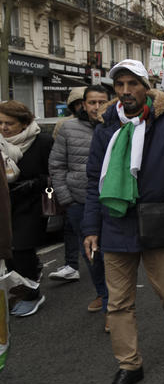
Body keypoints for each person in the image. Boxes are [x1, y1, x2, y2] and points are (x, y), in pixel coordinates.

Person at [82, 59, 164, 384]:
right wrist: (90, 226)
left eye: (132, 84)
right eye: (119, 85)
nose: (125, 91)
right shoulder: (106, 128)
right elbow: (95, 180)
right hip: (114, 222)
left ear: (146, 86)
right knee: (119, 303)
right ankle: (129, 366)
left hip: (156, 221)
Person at [48, 85, 111, 322]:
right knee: (92, 255)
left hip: (111, 202)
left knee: (112, 256)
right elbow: (56, 165)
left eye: (101, 102)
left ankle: (111, 305)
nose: (96, 107)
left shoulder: (116, 126)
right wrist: (67, 199)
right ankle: (103, 295)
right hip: (80, 203)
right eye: (92, 102)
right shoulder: (68, 129)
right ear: (83, 104)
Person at [0, 100, 52, 316]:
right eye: (0, 123)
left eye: (8, 123)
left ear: (24, 123)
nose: (3, 128)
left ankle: (33, 294)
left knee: (21, 250)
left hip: (31, 204)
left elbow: (53, 173)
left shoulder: (42, 142)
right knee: (8, 253)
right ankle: (19, 289)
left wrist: (33, 183)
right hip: (5, 206)